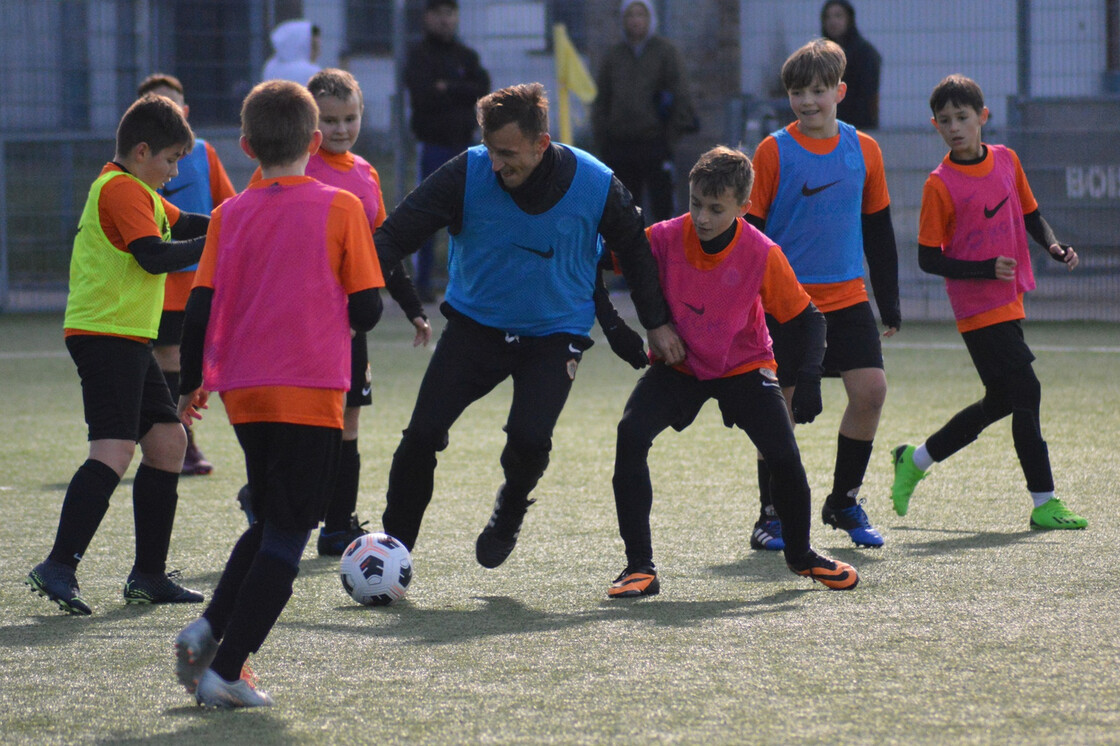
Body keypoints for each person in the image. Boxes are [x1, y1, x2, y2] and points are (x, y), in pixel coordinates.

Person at [371, 82, 686, 568]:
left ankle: (513, 503)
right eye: (490, 150)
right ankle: (392, 554)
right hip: (476, 327)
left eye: (508, 153)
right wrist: (345, 293)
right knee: (420, 438)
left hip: (554, 334)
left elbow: (636, 252)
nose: (495, 164)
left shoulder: (597, 183)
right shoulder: (467, 172)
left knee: (529, 440)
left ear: (542, 144)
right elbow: (393, 237)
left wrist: (656, 323)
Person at [173, 80, 385, 708]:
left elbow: (200, 307)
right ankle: (228, 669)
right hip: (312, 388)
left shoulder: (228, 214)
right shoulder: (341, 206)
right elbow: (368, 309)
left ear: (245, 147)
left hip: (243, 393)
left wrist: (190, 386)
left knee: (269, 516)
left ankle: (208, 630)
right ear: (315, 140)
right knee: (290, 532)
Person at [608, 146, 858, 598]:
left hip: (744, 366)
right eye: (696, 204)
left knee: (783, 457)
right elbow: (602, 261)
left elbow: (809, 320)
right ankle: (638, 567)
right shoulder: (663, 237)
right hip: (681, 365)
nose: (702, 217)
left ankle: (801, 556)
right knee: (630, 435)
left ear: (744, 208)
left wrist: (810, 380)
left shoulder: (762, 253)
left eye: (716, 208)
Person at [24, 94, 209, 615]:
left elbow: (188, 223)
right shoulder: (123, 190)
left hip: (126, 337)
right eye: (171, 159)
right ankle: (59, 565)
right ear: (142, 150)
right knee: (114, 449)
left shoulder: (140, 190)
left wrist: (236, 219)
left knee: (169, 442)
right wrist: (220, 245)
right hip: (104, 334)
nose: (174, 171)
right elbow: (153, 257)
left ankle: (148, 576)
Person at [243, 68, 432, 555]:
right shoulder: (284, 166)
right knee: (301, 420)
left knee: (348, 420)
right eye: (329, 120)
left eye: (350, 118)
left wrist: (412, 307)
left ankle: (336, 524)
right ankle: (266, 498)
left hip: (353, 319)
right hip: (300, 320)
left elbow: (381, 248)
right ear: (310, 122)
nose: (341, 129)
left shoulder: (365, 173)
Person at [890, 74, 1087, 531]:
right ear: (935, 126)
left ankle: (914, 460)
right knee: (1028, 390)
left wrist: (1054, 247)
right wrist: (983, 269)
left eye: (962, 117)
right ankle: (1044, 502)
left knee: (1003, 400)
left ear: (983, 117)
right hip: (976, 308)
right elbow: (926, 258)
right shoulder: (939, 185)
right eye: (945, 120)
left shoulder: (1006, 159)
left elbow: (1031, 214)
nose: (955, 127)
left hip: (1010, 298)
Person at [746, 38, 900, 551]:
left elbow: (878, 229)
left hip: (849, 298)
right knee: (782, 409)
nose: (807, 101)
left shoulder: (866, 150)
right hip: (787, 304)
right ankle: (772, 516)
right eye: (796, 92)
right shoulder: (773, 151)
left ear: (840, 90)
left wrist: (890, 299)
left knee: (871, 391)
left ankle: (843, 501)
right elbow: (749, 233)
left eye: (817, 90)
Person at [136, 73, 237, 477]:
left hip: (198, 276)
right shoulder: (134, 161)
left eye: (173, 106)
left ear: (186, 112)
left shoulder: (204, 153)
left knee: (194, 360)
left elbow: (226, 207)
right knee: (169, 356)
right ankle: (180, 442)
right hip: (157, 278)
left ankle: (174, 439)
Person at [403, 0, 491, 303]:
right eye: (439, 14)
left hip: (465, 147)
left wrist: (448, 88)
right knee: (427, 216)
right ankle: (423, 282)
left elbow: (482, 89)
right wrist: (458, 90)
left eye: (450, 14)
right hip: (433, 147)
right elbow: (423, 95)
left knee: (471, 218)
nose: (445, 20)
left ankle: (468, 285)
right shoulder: (419, 56)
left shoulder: (466, 56)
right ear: (427, 17)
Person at [592, 0, 697, 225]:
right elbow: (602, 101)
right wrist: (604, 138)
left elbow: (680, 95)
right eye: (630, 15)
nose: (635, 20)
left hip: (655, 142)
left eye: (641, 14)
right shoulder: (614, 56)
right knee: (625, 208)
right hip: (620, 144)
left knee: (663, 207)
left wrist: (669, 139)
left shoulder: (665, 52)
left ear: (650, 19)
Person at [820, 1, 881, 130]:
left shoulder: (864, 53)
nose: (832, 22)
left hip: (857, 127)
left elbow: (866, 97)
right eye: (828, 17)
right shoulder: (820, 53)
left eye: (838, 16)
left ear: (849, 19)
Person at [262, 19, 321, 84]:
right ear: (301, 44)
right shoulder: (311, 71)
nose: (318, 53)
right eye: (314, 47)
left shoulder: (270, 67)